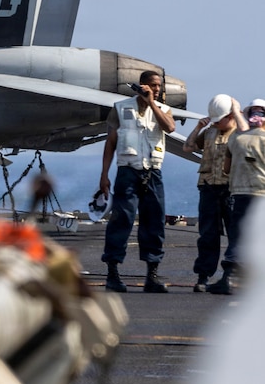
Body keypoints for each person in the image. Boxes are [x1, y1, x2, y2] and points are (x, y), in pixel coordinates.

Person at [98, 70, 176, 293]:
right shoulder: (121, 108)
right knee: (121, 219)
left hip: (153, 172)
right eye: (152, 85)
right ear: (142, 85)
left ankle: (152, 275)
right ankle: (113, 273)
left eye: (159, 86)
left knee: (155, 222)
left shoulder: (163, 110)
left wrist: (152, 103)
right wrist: (104, 175)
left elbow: (170, 128)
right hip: (128, 171)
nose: (157, 89)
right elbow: (110, 143)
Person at [182, 94, 248, 292]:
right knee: (207, 235)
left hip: (231, 190)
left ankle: (231, 276)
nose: (217, 124)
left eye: (220, 120)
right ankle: (203, 276)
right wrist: (197, 128)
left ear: (231, 116)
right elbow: (188, 147)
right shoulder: (210, 132)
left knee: (236, 235)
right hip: (208, 187)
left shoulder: (242, 132)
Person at [209, 99, 265, 295]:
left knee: (238, 237)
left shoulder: (236, 138)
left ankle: (229, 278)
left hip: (240, 194)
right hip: (262, 194)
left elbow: (225, 169)